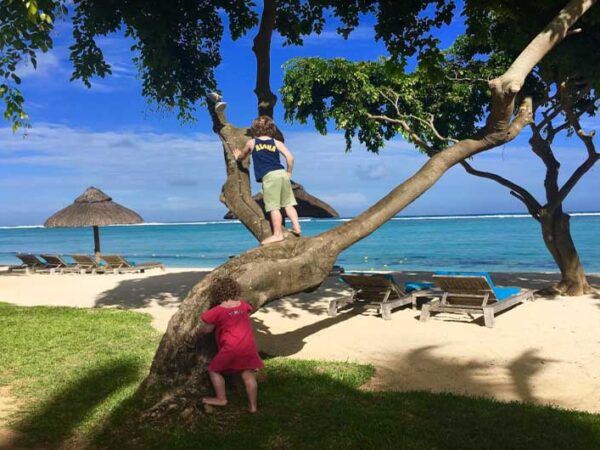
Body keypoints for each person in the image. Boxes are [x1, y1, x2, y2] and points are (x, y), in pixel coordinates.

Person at [197, 277, 264, 413]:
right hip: (248, 347)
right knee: (248, 376)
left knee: (213, 370)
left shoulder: (217, 311)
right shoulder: (243, 306)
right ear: (235, 290)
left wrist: (199, 331)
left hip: (231, 348)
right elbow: (247, 311)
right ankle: (253, 407)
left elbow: (208, 329)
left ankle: (221, 398)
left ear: (217, 294)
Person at [233, 115, 302, 245]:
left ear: (254, 129)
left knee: (273, 207)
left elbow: (242, 156)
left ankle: (277, 234)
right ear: (272, 129)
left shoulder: (252, 142)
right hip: (281, 174)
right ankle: (297, 227)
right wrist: (289, 172)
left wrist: (237, 157)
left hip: (269, 177)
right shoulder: (277, 143)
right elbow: (290, 157)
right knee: (288, 204)